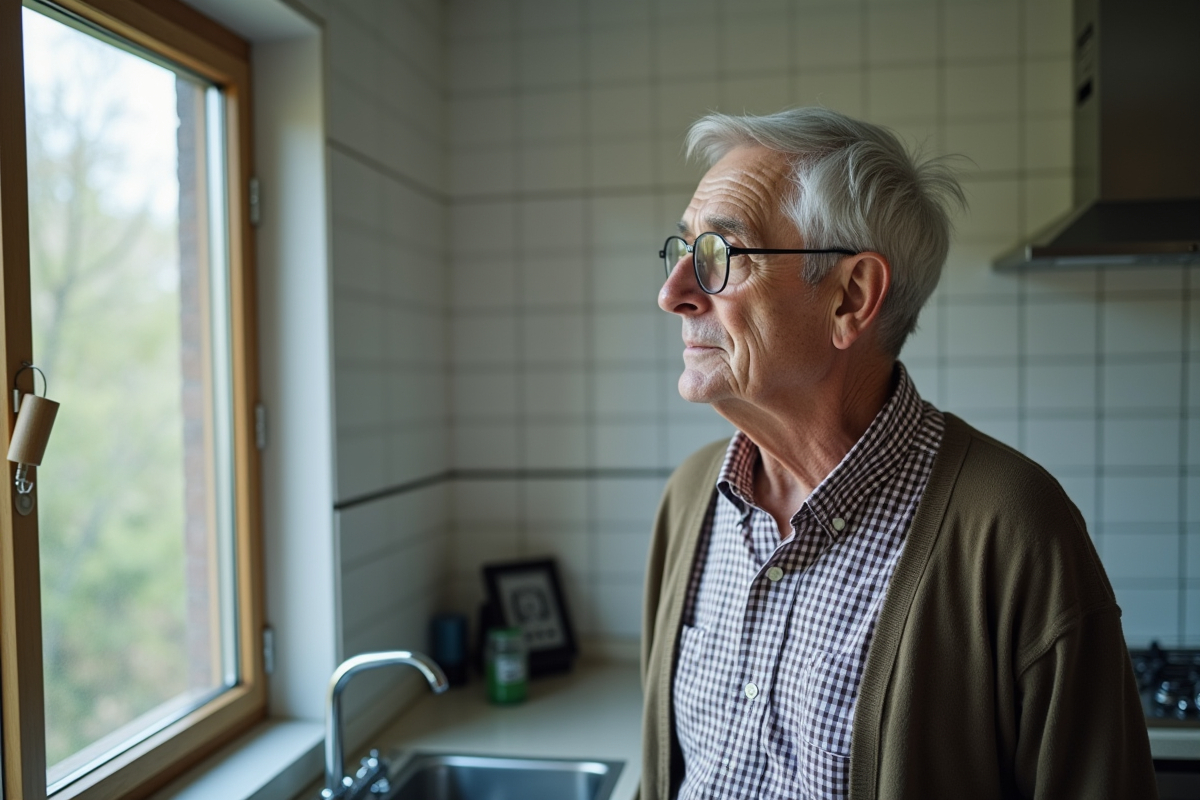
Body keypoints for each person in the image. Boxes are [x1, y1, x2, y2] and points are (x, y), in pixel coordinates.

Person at [640, 107, 1155, 800]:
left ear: (851, 298)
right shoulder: (690, 498)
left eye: (720, 257)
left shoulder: (1015, 530)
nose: (672, 294)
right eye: (683, 252)